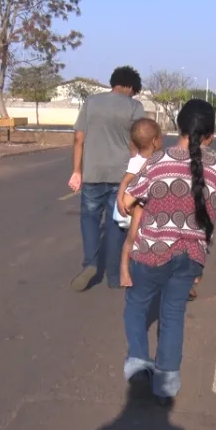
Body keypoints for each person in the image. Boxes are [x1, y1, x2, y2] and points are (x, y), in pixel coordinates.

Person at [119, 99, 216, 406]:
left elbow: (127, 202)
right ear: (211, 135)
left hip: (151, 251)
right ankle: (165, 386)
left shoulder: (157, 161)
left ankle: (139, 361)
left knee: (137, 306)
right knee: (172, 315)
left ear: (177, 127)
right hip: (191, 256)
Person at [68, 66, 146, 291]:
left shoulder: (91, 103)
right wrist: (138, 171)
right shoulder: (134, 106)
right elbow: (137, 142)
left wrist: (77, 170)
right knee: (116, 223)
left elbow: (78, 138)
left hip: (93, 172)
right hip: (121, 175)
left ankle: (90, 264)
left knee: (90, 218)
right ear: (131, 87)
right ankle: (113, 275)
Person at [116, 118, 164, 288]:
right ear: (155, 141)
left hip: (147, 203)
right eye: (161, 136)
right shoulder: (138, 161)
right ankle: (124, 269)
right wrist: (120, 198)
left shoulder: (156, 158)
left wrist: (120, 196)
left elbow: (124, 182)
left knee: (135, 238)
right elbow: (126, 179)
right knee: (132, 237)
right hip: (139, 205)